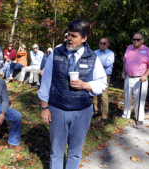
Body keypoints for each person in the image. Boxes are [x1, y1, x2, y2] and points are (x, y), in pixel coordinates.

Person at [38, 19, 107, 169]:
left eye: (74, 36)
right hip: (57, 109)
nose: (69, 38)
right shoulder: (56, 53)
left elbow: (102, 82)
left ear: (84, 38)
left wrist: (85, 85)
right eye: (68, 35)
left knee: (75, 152)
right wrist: (44, 107)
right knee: (56, 151)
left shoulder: (92, 57)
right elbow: (46, 81)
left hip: (82, 111)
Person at [121, 32, 149, 125]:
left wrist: (145, 76)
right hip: (128, 77)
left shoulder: (148, 50)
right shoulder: (129, 48)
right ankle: (126, 114)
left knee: (139, 99)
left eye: (138, 39)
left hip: (141, 79)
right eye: (134, 39)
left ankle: (139, 117)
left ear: (142, 41)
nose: (135, 41)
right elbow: (124, 61)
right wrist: (123, 71)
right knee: (127, 98)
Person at [93, 38, 115, 121]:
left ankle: (104, 115)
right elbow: (92, 62)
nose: (102, 44)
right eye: (100, 43)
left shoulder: (111, 54)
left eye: (104, 43)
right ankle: (96, 111)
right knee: (95, 94)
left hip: (105, 76)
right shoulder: (95, 52)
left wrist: (97, 61)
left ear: (108, 44)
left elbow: (107, 63)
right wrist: (102, 61)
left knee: (104, 96)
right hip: (95, 76)